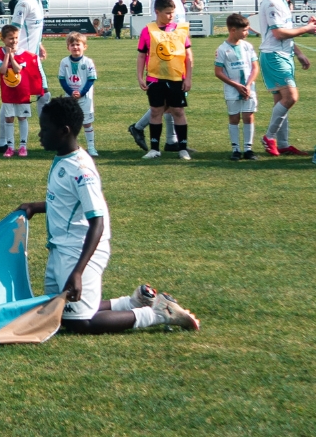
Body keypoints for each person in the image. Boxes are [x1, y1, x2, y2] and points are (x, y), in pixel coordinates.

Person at [17, 99, 200, 335]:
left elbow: (98, 221)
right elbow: (64, 202)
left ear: (64, 131)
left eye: (45, 128)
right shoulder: (63, 158)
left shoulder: (81, 170)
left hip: (80, 249)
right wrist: (34, 206)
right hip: (61, 248)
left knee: (79, 323)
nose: (39, 134)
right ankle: (132, 302)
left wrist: (78, 272)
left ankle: (156, 313)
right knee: (56, 310)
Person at [128, 0, 193, 151]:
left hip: (176, 56)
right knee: (167, 103)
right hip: (165, 57)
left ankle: (171, 140)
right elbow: (160, 31)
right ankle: (140, 127)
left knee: (171, 103)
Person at [258, 0, 316, 157]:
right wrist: (307, 30)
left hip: (283, 54)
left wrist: (298, 53)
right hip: (274, 56)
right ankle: (269, 137)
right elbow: (278, 33)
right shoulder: (273, 2)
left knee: (280, 101)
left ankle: (282, 144)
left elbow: (286, 33)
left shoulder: (282, 1)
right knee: (291, 97)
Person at [136, 0, 194, 160]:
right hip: (155, 79)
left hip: (176, 79)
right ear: (157, 12)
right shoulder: (148, 30)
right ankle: (154, 149)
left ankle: (182, 148)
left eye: (173, 12)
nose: (171, 16)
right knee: (156, 111)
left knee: (178, 111)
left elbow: (188, 56)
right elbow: (141, 56)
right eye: (168, 13)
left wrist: (188, 78)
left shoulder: (180, 30)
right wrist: (140, 77)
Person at [4, 0, 54, 152]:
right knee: (15, 99)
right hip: (22, 59)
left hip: (32, 57)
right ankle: (47, 135)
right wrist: (12, 55)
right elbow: (13, 29)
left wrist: (39, 44)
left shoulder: (39, 2)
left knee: (41, 94)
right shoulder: (25, 3)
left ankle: (4, 141)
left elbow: (33, 29)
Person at [215, 13, 260, 161]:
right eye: (245, 30)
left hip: (249, 89)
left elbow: (255, 68)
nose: (247, 33)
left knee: (248, 116)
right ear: (233, 30)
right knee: (234, 118)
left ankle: (248, 149)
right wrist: (236, 85)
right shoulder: (222, 49)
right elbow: (218, 72)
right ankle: (236, 149)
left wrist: (247, 85)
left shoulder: (248, 46)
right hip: (232, 90)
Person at [58, 32, 99, 157]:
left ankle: (91, 147)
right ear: (68, 47)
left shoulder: (88, 62)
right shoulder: (64, 62)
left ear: (84, 46)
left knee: (87, 122)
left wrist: (81, 92)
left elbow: (91, 79)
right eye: (72, 45)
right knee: (69, 124)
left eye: (78, 44)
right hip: (69, 98)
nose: (75, 47)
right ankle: (69, 146)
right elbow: (62, 79)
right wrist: (71, 92)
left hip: (85, 98)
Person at [0, 24, 33, 157]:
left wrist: (12, 56)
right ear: (3, 39)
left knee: (22, 117)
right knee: (9, 118)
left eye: (16, 38)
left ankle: (23, 146)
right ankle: (10, 147)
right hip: (7, 91)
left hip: (22, 90)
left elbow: (18, 69)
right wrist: (6, 56)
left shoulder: (22, 53)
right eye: (11, 38)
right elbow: (2, 70)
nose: (14, 41)